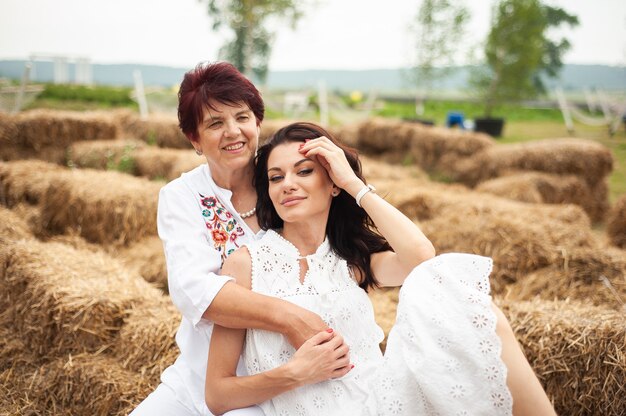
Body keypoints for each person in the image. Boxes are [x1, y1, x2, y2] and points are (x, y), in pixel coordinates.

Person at [205, 122, 557, 416]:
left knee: (476, 310)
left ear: (332, 184)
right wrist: (294, 373)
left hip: (378, 402)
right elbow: (218, 394)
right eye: (275, 177)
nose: (288, 185)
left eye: (305, 171)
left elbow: (423, 258)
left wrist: (355, 185)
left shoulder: (353, 259)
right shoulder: (245, 265)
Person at [131, 63, 342, 415]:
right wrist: (290, 317)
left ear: (257, 122)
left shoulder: (286, 184)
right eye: (215, 123)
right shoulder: (183, 196)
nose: (233, 132)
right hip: (200, 379)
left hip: (288, 381)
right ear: (195, 140)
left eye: (242, 117)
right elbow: (194, 291)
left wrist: (350, 179)